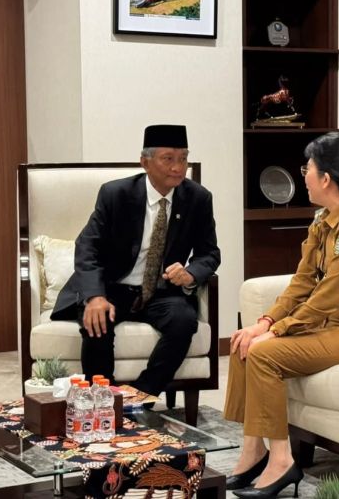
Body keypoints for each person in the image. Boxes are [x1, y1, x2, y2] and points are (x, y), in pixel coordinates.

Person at [223, 132, 339, 499]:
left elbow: (326, 296)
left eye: (307, 169)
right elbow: (303, 281)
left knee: (264, 353)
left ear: (326, 178)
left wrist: (278, 333)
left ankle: (282, 461)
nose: (303, 176)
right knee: (244, 342)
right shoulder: (325, 220)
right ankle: (253, 451)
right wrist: (265, 322)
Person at [51, 124, 221, 396]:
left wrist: (191, 273)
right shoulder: (116, 194)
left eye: (183, 159)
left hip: (161, 291)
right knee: (98, 320)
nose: (178, 167)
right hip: (113, 287)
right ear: (145, 162)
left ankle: (140, 396)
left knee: (183, 321)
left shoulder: (198, 199)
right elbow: (87, 247)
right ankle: (103, 399)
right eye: (168, 159)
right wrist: (95, 296)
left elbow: (210, 253)